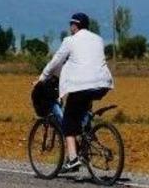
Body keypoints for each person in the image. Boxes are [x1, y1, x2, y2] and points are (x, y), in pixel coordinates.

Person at [36, 12, 113, 171]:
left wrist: (42, 77)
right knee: (82, 112)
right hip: (102, 84)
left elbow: (56, 60)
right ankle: (86, 140)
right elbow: (85, 61)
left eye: (71, 24)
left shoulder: (70, 41)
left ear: (74, 25)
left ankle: (73, 159)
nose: (70, 27)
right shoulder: (98, 39)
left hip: (82, 85)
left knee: (68, 122)